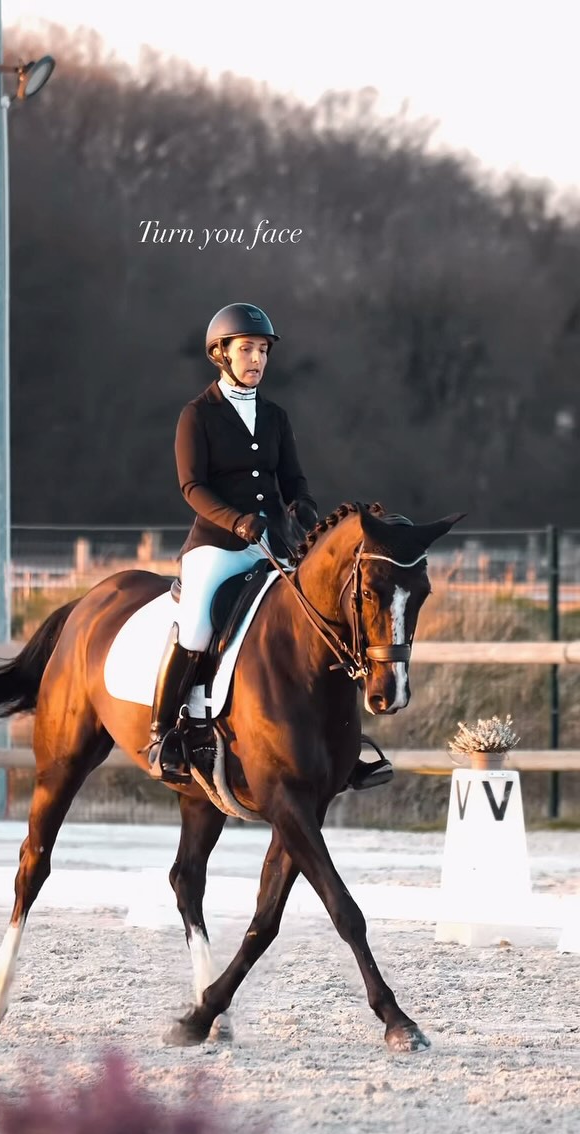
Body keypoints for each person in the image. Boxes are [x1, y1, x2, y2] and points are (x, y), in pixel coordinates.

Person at [144, 302, 391, 793]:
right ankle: (164, 734)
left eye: (262, 350)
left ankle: (340, 744)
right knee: (195, 624)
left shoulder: (275, 416)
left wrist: (301, 506)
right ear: (221, 354)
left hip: (272, 543)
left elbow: (293, 478)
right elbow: (192, 487)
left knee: (321, 619)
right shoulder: (198, 415)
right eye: (246, 350)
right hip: (215, 545)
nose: (256, 359)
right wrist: (237, 522)